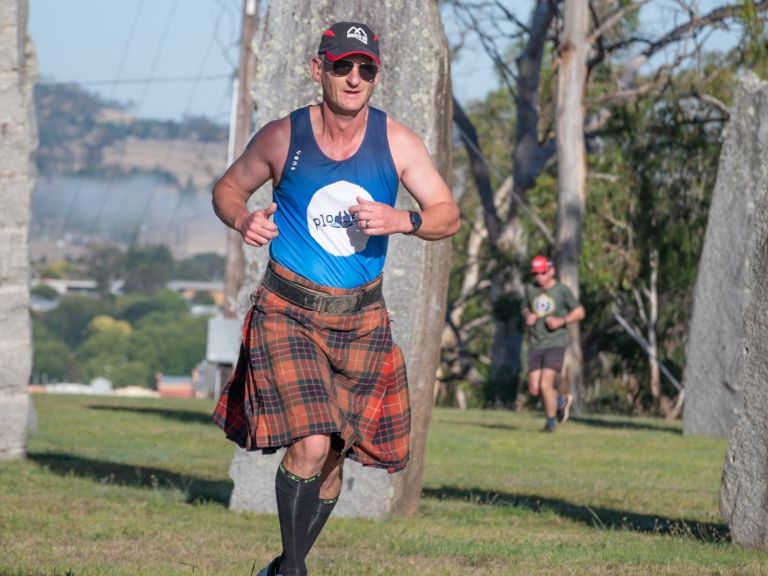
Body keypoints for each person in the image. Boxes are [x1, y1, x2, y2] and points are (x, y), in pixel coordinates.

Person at [211, 21, 460, 576]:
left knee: (332, 460)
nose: (354, 78)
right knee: (312, 443)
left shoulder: (396, 141)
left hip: (361, 319)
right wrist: (243, 217)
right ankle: (294, 571)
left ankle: (281, 568)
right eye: (343, 65)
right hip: (288, 311)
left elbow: (449, 215)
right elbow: (227, 188)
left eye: (365, 68)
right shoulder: (283, 136)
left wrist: (404, 219)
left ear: (375, 75)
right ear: (318, 68)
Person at [522, 255, 585, 432]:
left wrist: (561, 321)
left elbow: (579, 312)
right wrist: (528, 316)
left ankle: (550, 423)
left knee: (545, 385)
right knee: (534, 389)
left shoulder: (562, 291)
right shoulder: (530, 289)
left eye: (542, 272)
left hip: (555, 343)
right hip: (536, 342)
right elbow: (525, 307)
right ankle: (560, 401)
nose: (538, 277)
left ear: (551, 271)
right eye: (535, 273)